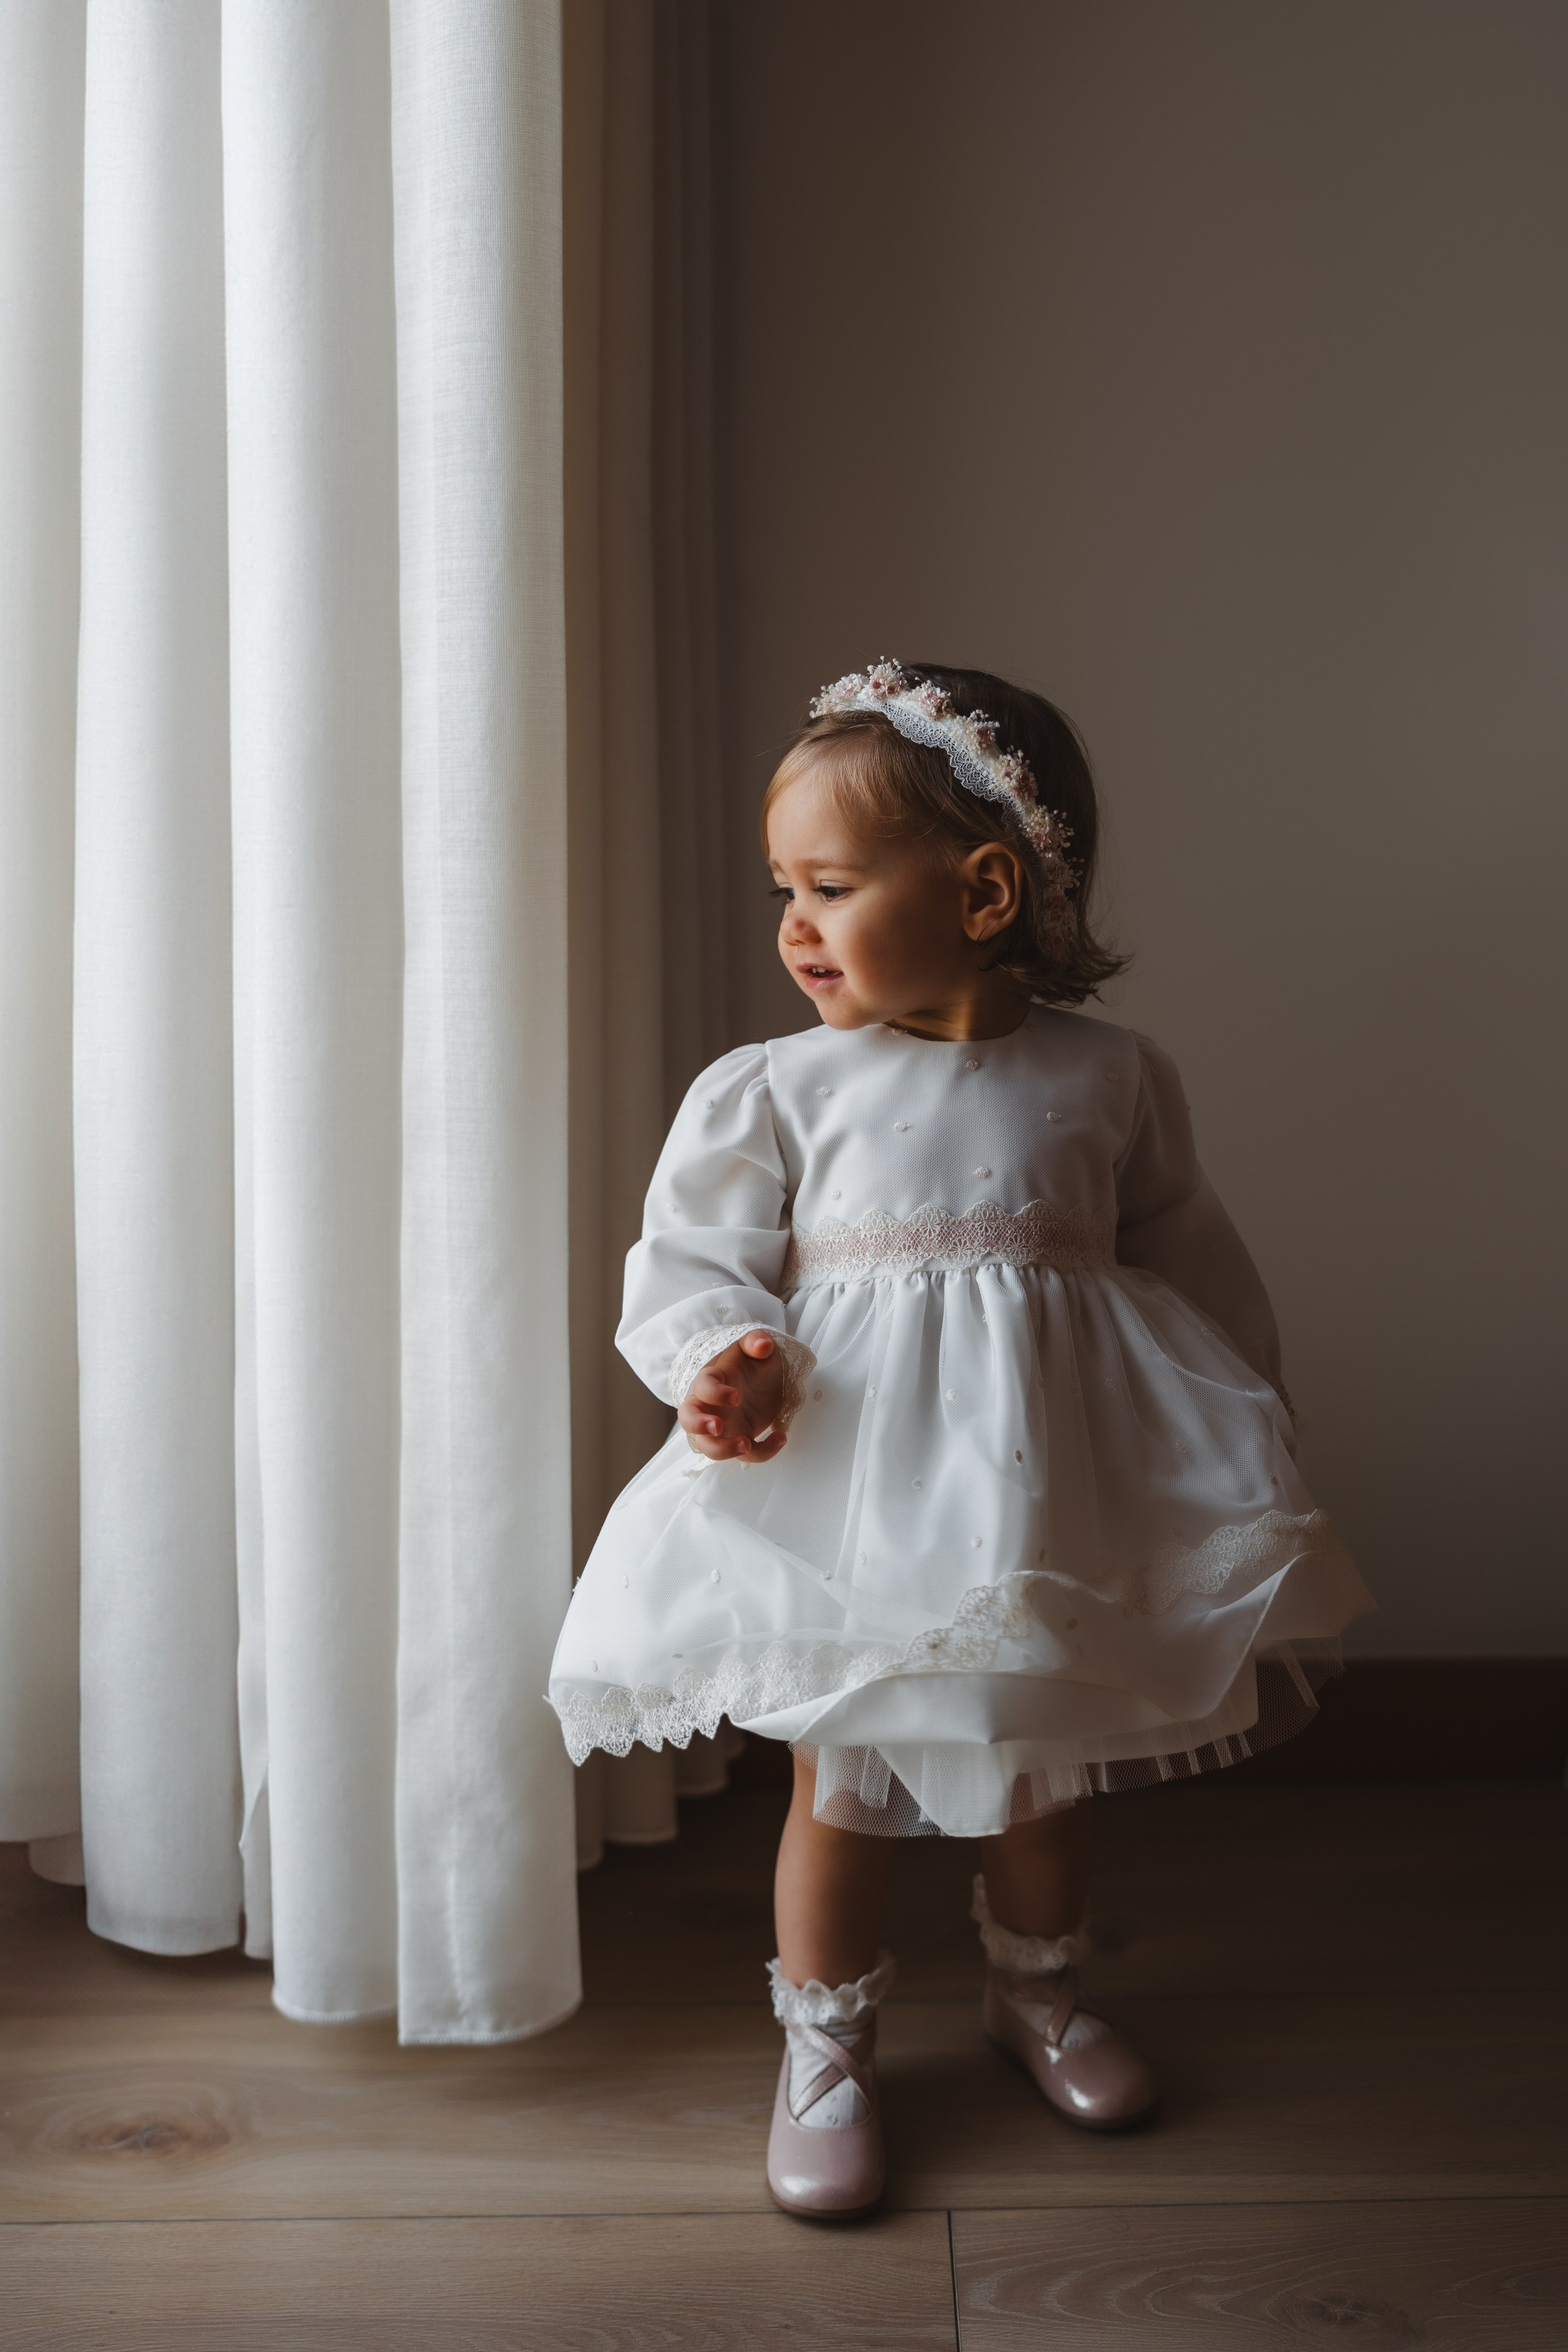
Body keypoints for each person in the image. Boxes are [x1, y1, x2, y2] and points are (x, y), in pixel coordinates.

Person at [548, 659, 1372, 2219]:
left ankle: (1036, 1992)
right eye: (781, 886)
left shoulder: (1111, 1077)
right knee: (839, 1786)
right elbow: (693, 1259)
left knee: (1039, 1777)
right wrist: (726, 1357)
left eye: (833, 886)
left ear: (984, 891)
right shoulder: (775, 1087)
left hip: (1048, 1490)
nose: (792, 923)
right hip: (852, 1498)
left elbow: (1186, 1261)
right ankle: (827, 2043)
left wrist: (1250, 1424)